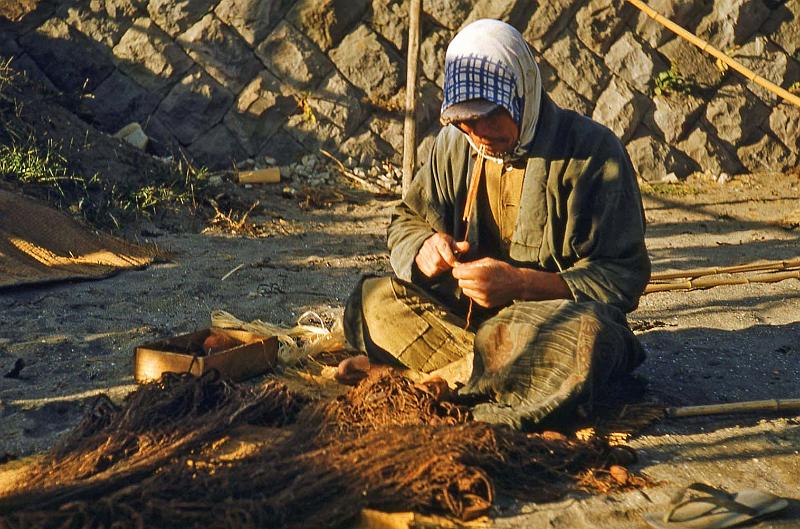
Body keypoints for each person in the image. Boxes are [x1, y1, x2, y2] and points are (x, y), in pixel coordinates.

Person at [340, 19, 651, 429]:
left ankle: (428, 379)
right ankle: (479, 378)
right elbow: (407, 219)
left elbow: (622, 275)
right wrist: (424, 248)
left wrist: (520, 284)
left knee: (585, 341)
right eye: (465, 120)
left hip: (546, 326)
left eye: (491, 115)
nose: (480, 133)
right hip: (464, 323)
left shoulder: (593, 153)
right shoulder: (454, 145)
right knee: (371, 301)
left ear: (523, 92)